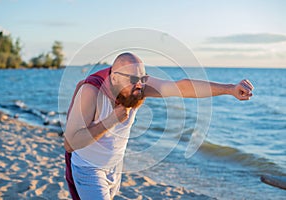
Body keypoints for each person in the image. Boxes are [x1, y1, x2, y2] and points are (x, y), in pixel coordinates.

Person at [64, 52, 254, 200]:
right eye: (132, 80)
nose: (139, 85)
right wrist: (110, 121)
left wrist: (229, 89)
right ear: (113, 78)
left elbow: (182, 88)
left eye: (142, 78)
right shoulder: (91, 92)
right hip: (88, 168)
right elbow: (70, 142)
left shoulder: (139, 86)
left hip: (114, 167)